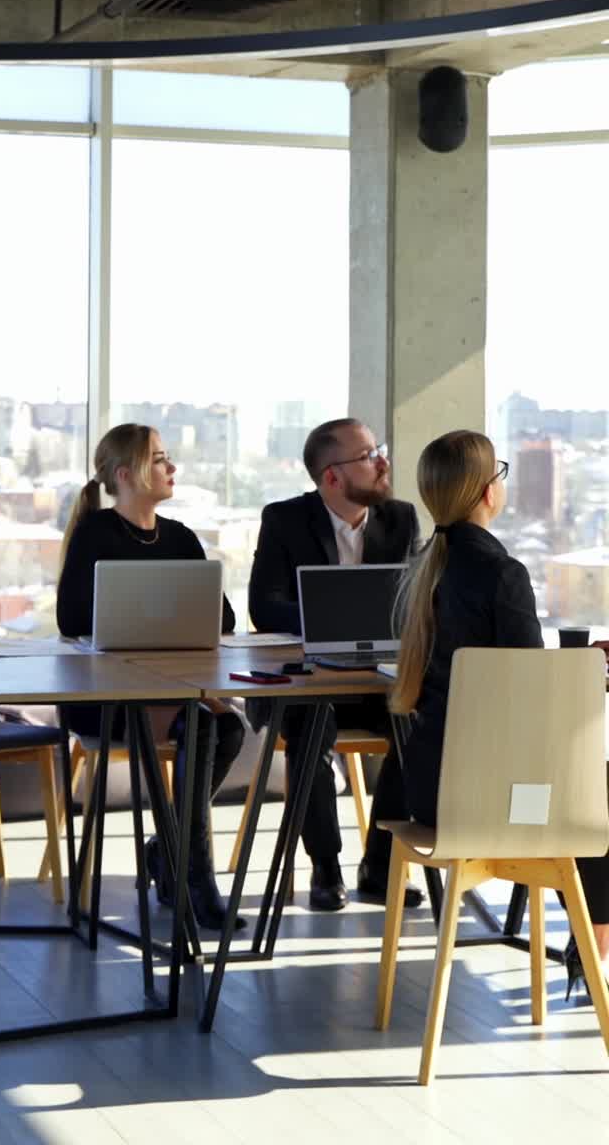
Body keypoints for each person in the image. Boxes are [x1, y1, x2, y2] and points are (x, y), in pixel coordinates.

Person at [392, 430, 609, 1001]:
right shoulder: (500, 572)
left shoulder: (422, 567)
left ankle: (591, 946)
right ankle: (594, 948)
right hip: (490, 798)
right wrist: (586, 670)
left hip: (425, 791)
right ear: (489, 490)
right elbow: (528, 692)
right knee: (600, 788)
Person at [56, 423, 246, 931]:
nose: (171, 467)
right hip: (107, 696)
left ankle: (168, 848)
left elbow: (222, 620)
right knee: (206, 726)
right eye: (159, 458)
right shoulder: (94, 534)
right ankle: (196, 881)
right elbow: (71, 622)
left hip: (173, 691)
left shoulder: (181, 537)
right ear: (126, 474)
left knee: (230, 727)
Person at [248, 417, 423, 912]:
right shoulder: (284, 519)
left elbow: (412, 603)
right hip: (311, 683)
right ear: (332, 477)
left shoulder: (401, 519)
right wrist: (332, 621)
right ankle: (325, 866)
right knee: (312, 726)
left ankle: (382, 864)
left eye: (378, 450)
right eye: (369, 456)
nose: (382, 462)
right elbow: (266, 607)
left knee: (417, 718)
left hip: (376, 684)